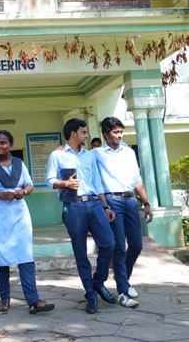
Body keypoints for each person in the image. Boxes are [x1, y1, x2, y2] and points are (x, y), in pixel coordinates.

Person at [0, 130, 55, 315]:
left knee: (25, 255)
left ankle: (33, 300)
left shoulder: (19, 164)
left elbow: (29, 185)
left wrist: (24, 191)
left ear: (11, 145)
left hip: (19, 213)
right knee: (1, 257)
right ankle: (4, 299)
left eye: (3, 143)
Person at [46, 118, 116, 314]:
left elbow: (97, 181)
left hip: (94, 204)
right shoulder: (57, 155)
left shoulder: (89, 156)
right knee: (80, 252)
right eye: (83, 132)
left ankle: (98, 283)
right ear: (73, 134)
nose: (86, 135)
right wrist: (65, 184)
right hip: (73, 206)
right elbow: (49, 180)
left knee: (108, 244)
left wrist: (105, 206)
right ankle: (90, 294)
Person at [94, 117, 153, 308]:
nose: (118, 136)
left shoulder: (128, 152)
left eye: (120, 132)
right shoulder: (96, 154)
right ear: (105, 134)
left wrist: (145, 202)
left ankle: (124, 280)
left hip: (130, 200)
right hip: (112, 200)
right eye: (114, 132)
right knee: (119, 246)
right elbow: (82, 163)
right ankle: (122, 292)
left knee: (136, 244)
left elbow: (137, 179)